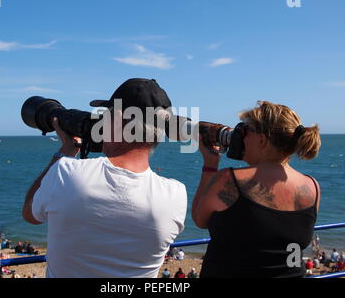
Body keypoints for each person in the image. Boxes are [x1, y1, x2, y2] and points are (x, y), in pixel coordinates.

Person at [22, 78, 187, 278]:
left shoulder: (66, 172)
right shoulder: (176, 195)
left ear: (117, 121)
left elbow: (30, 213)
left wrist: (64, 152)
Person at [192, 101, 321, 278]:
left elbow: (200, 219)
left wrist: (210, 165)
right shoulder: (312, 187)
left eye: (246, 130)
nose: (241, 137)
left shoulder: (228, 180)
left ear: (262, 139)